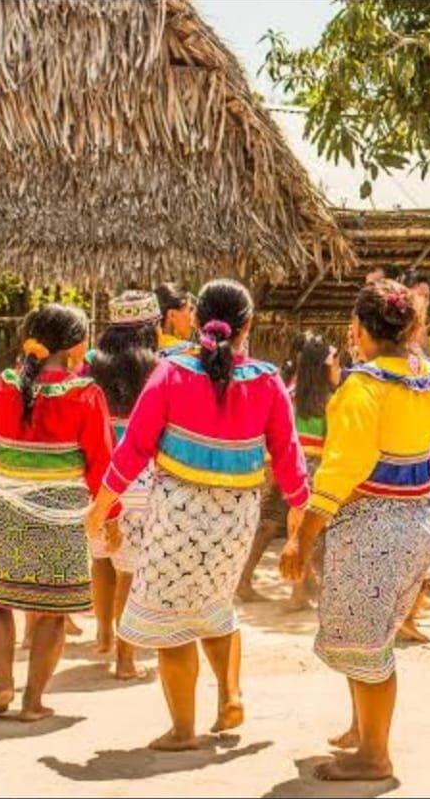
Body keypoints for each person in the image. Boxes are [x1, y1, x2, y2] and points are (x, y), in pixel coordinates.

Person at [85, 278, 309, 751]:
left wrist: (102, 505)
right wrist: (298, 522)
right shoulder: (268, 381)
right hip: (237, 519)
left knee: (170, 620)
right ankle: (231, 695)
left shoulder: (171, 372)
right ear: (247, 325)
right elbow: (289, 457)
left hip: (177, 513)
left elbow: (135, 447)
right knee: (213, 604)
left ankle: (183, 730)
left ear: (200, 317)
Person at [280, 278, 430, 781]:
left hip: (375, 528)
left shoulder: (364, 386)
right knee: (372, 636)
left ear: (357, 328)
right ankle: (362, 729)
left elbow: (339, 472)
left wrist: (300, 538)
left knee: (368, 643)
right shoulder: (426, 376)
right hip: (417, 520)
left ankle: (375, 754)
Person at [0, 303, 118, 721]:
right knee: (52, 612)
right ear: (78, 346)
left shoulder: (2, 386)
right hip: (62, 518)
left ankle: (2, 683)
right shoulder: (86, 394)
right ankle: (32, 701)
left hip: (8, 509)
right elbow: (101, 462)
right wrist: (110, 515)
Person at [87, 290, 161, 679]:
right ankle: (126, 658)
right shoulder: (158, 367)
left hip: (95, 474)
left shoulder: (89, 366)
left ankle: (102, 636)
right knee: (130, 570)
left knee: (101, 559)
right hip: (138, 474)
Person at [237, 331, 339, 608]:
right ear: (324, 366)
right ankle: (302, 590)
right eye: (336, 362)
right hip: (314, 471)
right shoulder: (331, 401)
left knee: (270, 523)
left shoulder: (289, 393)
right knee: (311, 530)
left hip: (283, 467)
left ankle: (244, 580)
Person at [154, 282, 197, 356]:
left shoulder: (148, 352)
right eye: (190, 310)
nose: (193, 317)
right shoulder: (191, 353)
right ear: (172, 315)